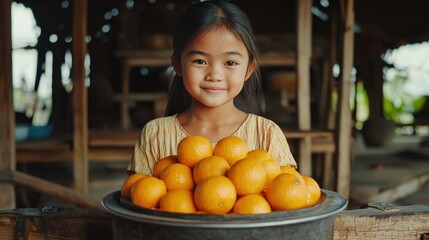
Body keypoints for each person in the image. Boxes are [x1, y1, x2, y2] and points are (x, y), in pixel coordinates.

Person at [127, 0, 297, 175]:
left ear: (248, 70)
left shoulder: (266, 134)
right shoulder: (155, 135)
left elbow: (287, 193)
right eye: (200, 61)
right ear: (177, 64)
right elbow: (138, 195)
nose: (214, 75)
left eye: (230, 62)